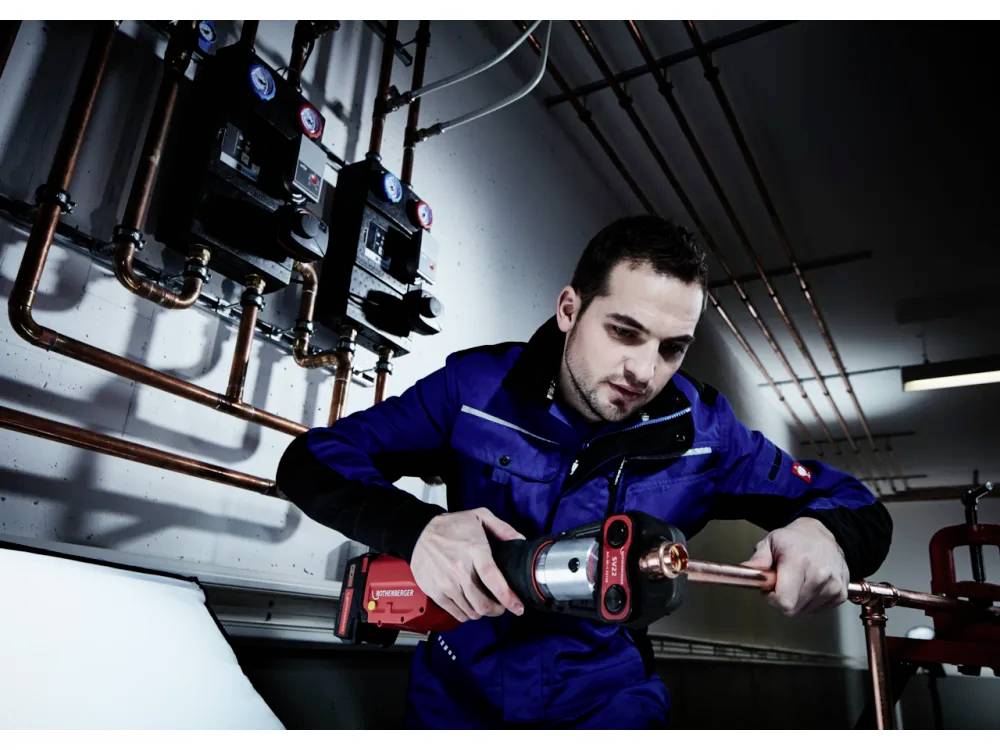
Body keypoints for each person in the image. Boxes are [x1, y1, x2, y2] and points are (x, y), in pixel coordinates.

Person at [276, 215, 892, 728]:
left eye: (671, 348)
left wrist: (826, 533)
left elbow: (861, 508)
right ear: (570, 308)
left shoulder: (706, 435)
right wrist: (419, 532)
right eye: (625, 332)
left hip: (609, 705)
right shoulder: (473, 392)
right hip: (456, 695)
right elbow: (310, 462)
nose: (645, 372)